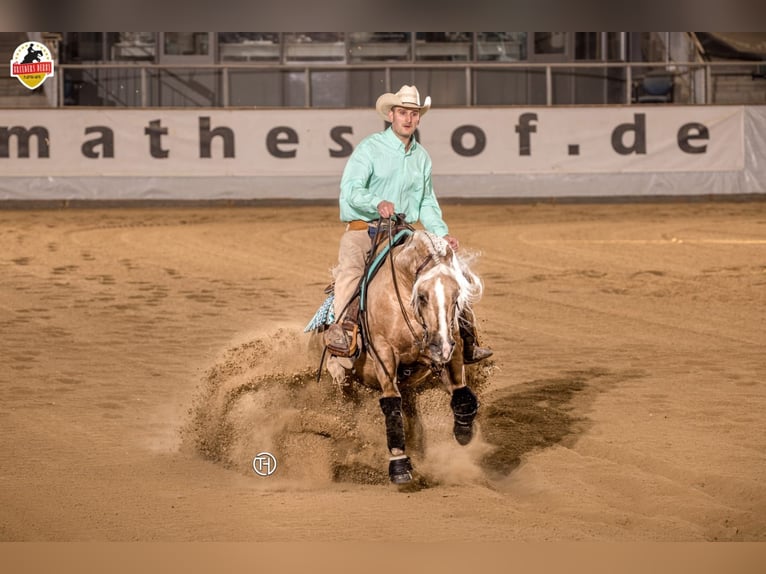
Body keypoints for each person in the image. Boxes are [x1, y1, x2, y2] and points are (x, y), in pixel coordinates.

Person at [324, 84, 492, 367]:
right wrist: (376, 202)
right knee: (351, 276)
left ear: (419, 118)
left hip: (403, 233)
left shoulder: (421, 157)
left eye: (413, 114)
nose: (408, 119)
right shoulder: (370, 148)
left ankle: (466, 337)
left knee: (450, 273)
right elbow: (350, 189)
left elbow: (427, 201)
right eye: (403, 112)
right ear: (391, 115)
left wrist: (441, 235)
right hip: (364, 230)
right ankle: (344, 334)